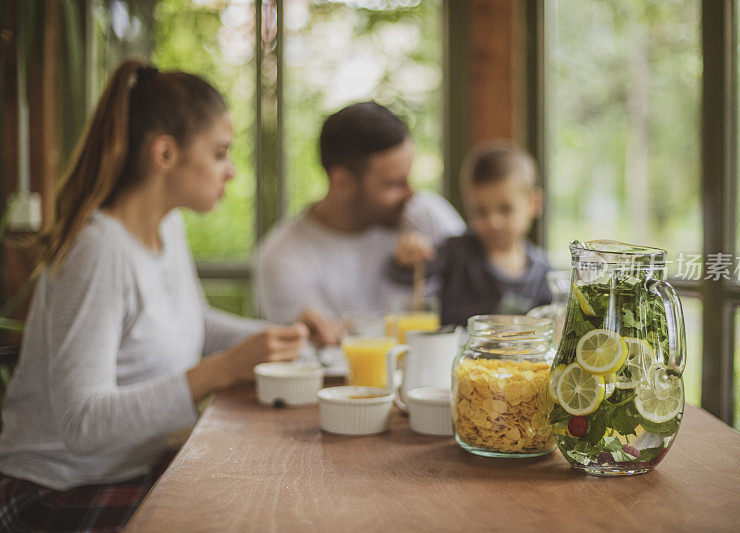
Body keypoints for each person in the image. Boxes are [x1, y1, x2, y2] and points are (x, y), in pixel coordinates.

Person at [0, 60, 311, 531]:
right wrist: (221, 369)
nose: (231, 171)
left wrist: (281, 337)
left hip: (131, 470)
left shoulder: (167, 225)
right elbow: (83, 424)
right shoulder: (97, 253)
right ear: (165, 153)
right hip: (57, 494)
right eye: (221, 153)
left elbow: (193, 321)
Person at [252, 102, 465, 326]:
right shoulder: (284, 257)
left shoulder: (425, 216)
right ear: (342, 182)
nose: (410, 193)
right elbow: (309, 350)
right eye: (394, 183)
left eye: (408, 177)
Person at [388, 141, 552, 326]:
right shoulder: (455, 251)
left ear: (534, 203)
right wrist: (406, 258)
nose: (493, 222)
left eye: (505, 209)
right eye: (480, 211)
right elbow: (407, 274)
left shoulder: (544, 274)